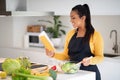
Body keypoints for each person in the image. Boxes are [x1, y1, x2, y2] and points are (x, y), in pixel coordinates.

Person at [45, 4, 104, 80]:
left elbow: (100, 57)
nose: (71, 20)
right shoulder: (71, 34)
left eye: (73, 18)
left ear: (83, 18)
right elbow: (66, 56)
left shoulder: (95, 35)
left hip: (90, 74)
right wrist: (53, 54)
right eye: (70, 18)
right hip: (73, 74)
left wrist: (90, 61)